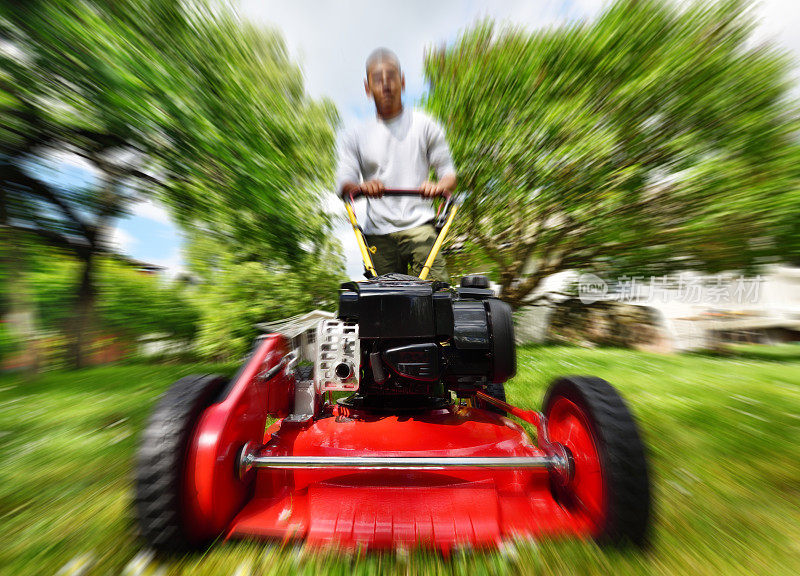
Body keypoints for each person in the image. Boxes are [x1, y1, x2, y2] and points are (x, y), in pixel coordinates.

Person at [336, 48, 457, 282]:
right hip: (377, 233)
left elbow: (449, 174)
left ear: (402, 82)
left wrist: (438, 186)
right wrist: (361, 187)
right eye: (377, 80)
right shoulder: (355, 135)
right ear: (367, 87)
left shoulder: (425, 124)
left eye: (391, 77)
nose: (386, 84)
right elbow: (344, 184)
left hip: (420, 225)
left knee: (437, 291)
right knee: (382, 301)